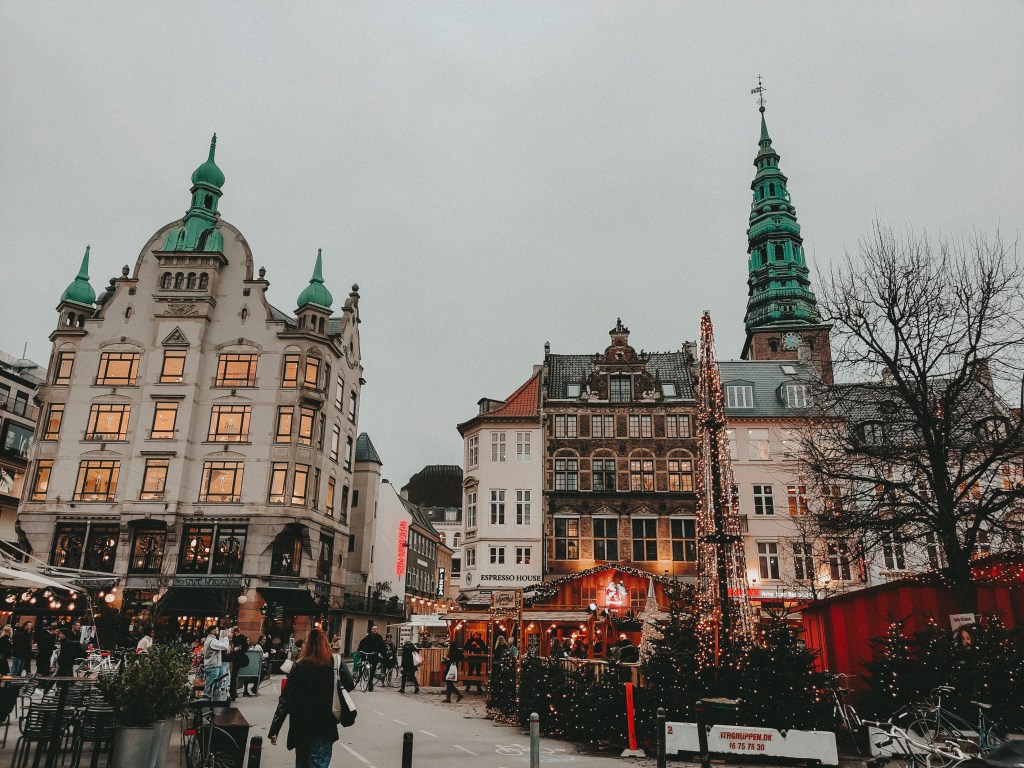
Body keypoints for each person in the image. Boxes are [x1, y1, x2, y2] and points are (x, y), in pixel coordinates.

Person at [268, 628, 354, 768]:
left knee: (302, 762)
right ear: (326, 644)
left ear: (308, 645)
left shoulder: (299, 666)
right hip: (325, 724)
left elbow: (286, 699)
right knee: (318, 763)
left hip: (301, 724)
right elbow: (350, 684)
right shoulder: (334, 663)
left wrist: (274, 729)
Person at [202, 625, 230, 701]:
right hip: (212, 666)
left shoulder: (211, 640)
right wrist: (225, 637)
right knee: (209, 686)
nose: (218, 632)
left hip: (211, 665)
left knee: (210, 685)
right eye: (217, 630)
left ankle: (208, 701)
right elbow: (225, 646)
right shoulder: (212, 641)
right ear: (213, 631)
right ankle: (206, 702)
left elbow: (220, 644)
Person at [356, 624, 386, 692]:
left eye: (376, 629)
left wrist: (381, 652)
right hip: (368, 655)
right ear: (371, 630)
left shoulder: (379, 637)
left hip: (375, 656)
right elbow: (362, 643)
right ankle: (359, 677)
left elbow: (382, 646)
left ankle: (370, 683)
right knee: (363, 665)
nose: (375, 630)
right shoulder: (368, 637)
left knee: (372, 671)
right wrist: (360, 651)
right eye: (373, 629)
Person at [229, 630, 250, 699]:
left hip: (233, 660)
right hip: (235, 660)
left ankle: (232, 693)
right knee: (233, 677)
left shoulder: (234, 640)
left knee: (232, 677)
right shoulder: (240, 639)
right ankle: (233, 693)